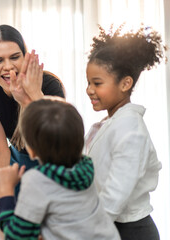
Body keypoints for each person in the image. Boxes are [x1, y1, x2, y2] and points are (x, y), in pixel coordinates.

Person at [0, 98, 120, 240]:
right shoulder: (85, 167)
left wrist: (5, 191)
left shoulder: (37, 180)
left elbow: (17, 236)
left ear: (31, 150)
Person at [84, 25, 166, 240]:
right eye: (88, 82)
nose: (89, 90)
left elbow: (116, 193)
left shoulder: (130, 128)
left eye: (97, 83)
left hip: (131, 232)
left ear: (125, 83)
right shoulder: (109, 124)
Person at [0, 24, 65, 218]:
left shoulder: (50, 84)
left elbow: (58, 141)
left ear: (25, 56)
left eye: (15, 57)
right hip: (18, 165)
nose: (8, 67)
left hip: (51, 164)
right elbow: (0, 150)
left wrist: (33, 93)